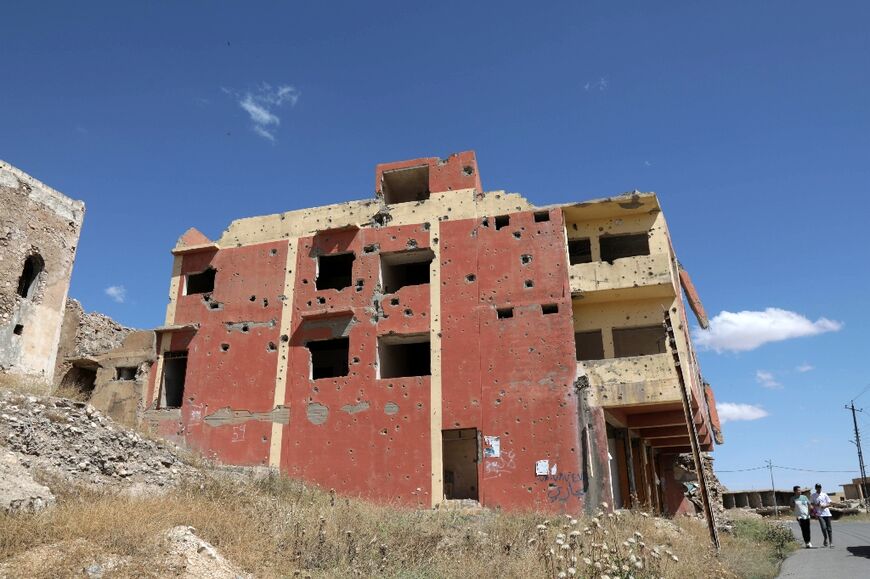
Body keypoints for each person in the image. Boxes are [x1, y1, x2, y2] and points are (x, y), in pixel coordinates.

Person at [810, 483, 833, 547]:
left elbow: (830, 503)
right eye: (817, 487)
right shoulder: (813, 495)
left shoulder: (824, 494)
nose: (819, 488)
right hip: (819, 514)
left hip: (827, 513)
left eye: (820, 487)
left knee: (829, 528)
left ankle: (831, 542)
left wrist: (825, 506)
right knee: (823, 527)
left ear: (821, 487)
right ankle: (825, 538)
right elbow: (811, 504)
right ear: (815, 488)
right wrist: (816, 505)